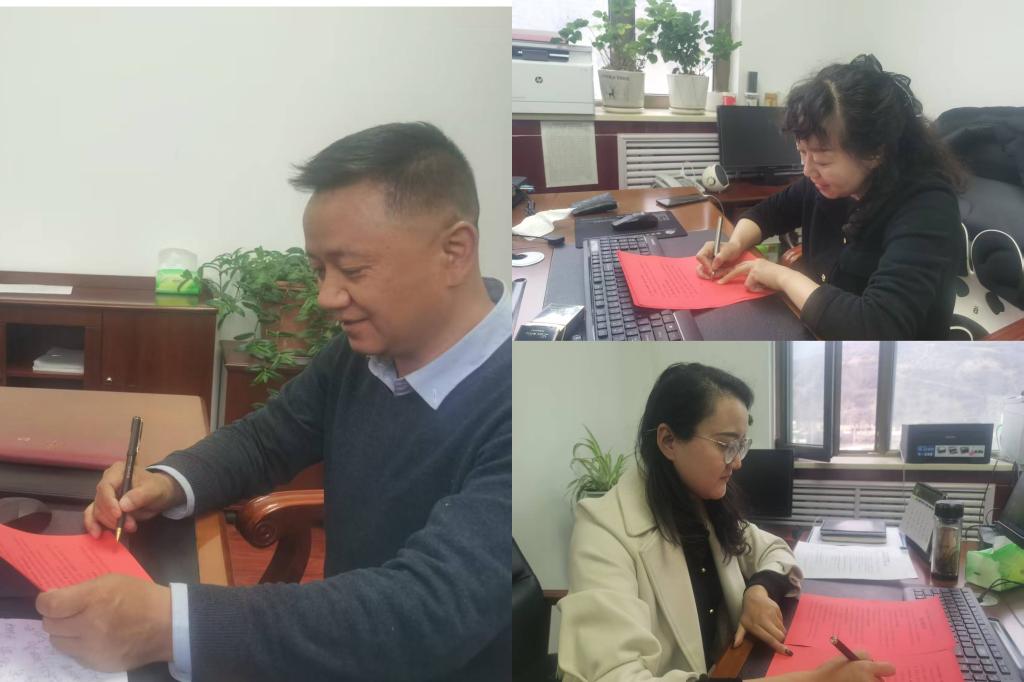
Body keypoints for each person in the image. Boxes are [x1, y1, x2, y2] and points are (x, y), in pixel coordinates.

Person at [34, 122, 512, 681]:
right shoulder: (363, 355)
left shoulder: (515, 408)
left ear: (454, 252)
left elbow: (427, 609)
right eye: (319, 270)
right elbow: (267, 439)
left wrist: (170, 624)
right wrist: (164, 483)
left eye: (352, 270)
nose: (327, 296)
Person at [557, 363, 895, 682]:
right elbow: (615, 675)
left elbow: (775, 550)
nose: (737, 463)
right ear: (668, 441)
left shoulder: (702, 502)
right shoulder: (603, 532)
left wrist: (758, 592)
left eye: (741, 446)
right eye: (726, 445)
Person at [696, 54, 965, 340]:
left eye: (823, 160)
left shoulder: (927, 207)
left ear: (875, 152)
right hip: (821, 330)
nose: (808, 170)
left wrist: (782, 276)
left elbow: (877, 326)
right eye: (802, 152)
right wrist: (735, 244)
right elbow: (767, 213)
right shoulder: (827, 184)